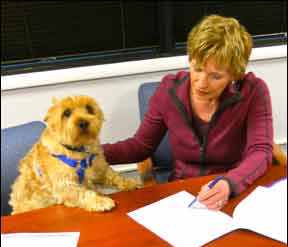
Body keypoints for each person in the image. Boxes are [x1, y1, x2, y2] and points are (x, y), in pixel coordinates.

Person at [102, 15, 273, 211]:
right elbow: (140, 146)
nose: (201, 83)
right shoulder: (169, 91)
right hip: (181, 195)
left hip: (231, 190)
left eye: (215, 76)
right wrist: (90, 153)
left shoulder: (253, 91)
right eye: (197, 68)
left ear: (235, 74)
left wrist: (229, 183)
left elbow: (261, 150)